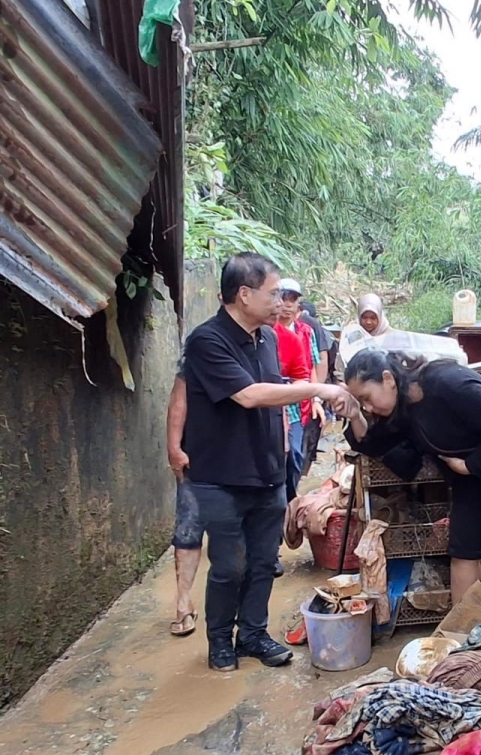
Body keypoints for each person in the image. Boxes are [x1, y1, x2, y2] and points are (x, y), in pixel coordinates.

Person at [182, 252, 355, 672]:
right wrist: (318, 389)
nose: (281, 301)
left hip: (266, 471)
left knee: (263, 561)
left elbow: (274, 395)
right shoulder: (207, 341)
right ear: (244, 294)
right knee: (229, 565)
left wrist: (282, 452)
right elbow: (249, 395)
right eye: (273, 293)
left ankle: (253, 635)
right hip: (220, 477)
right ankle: (220, 640)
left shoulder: (269, 338)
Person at [341, 350, 481, 617]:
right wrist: (354, 415)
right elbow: (377, 444)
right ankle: (464, 633)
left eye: (366, 398)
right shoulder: (404, 407)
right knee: (463, 552)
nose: (367, 407)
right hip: (474, 478)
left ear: (388, 379)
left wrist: (468, 466)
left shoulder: (447, 383)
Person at [275, 278, 324, 502]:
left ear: (298, 304)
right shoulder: (266, 330)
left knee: (295, 453)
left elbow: (311, 367)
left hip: (296, 403)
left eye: (292, 299)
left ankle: (290, 500)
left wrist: (315, 399)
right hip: (270, 398)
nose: (287, 304)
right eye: (283, 298)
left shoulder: (305, 332)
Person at [166, 371, 201, 638]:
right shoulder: (199, 353)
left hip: (242, 460)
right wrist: (174, 449)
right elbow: (179, 399)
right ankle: (182, 604)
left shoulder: (259, 351)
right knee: (188, 528)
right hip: (197, 456)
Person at [299, 301, 335, 477]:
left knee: (307, 443)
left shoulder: (310, 327)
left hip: (311, 393)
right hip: (304, 393)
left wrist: (316, 397)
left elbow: (321, 362)